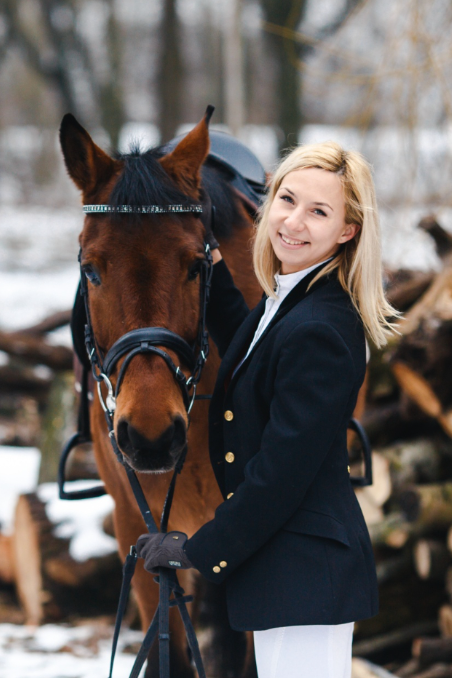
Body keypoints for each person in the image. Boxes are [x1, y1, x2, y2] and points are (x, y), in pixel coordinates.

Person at [135, 141, 399, 678]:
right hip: (289, 575)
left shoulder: (322, 328)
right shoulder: (293, 301)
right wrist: (208, 270)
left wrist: (197, 551)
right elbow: (256, 359)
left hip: (306, 578)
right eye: (287, 199)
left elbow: (280, 474)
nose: (293, 221)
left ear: (347, 232)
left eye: (319, 212)